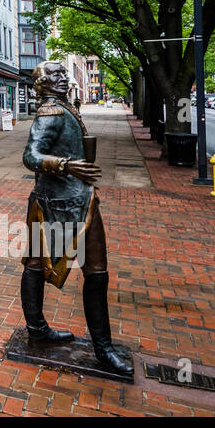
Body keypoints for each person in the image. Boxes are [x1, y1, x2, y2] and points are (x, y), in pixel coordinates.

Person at [19, 60, 133, 376]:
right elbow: (31, 156)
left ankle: (102, 347)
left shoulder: (65, 107)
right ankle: (40, 330)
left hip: (81, 198)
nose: (64, 76)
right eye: (55, 74)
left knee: (96, 270)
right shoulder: (50, 113)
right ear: (42, 83)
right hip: (56, 203)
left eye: (63, 72)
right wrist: (66, 165)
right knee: (39, 265)